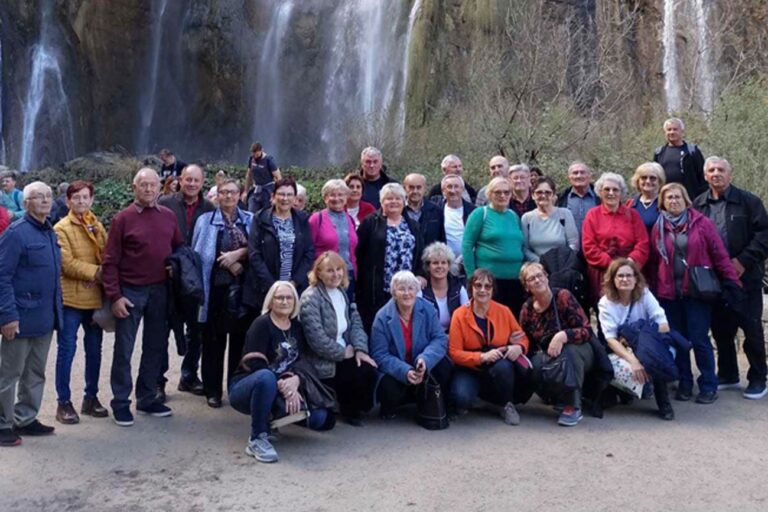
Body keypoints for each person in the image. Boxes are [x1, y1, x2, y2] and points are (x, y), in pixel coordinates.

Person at [102, 168, 183, 426]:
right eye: (144, 185)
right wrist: (115, 296)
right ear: (134, 188)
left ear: (161, 188)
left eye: (153, 185)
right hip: (130, 291)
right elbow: (110, 261)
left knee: (155, 347)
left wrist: (176, 266)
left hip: (160, 290)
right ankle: (121, 402)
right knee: (124, 349)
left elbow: (179, 247)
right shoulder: (122, 219)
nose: (149, 189)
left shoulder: (168, 216)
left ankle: (147, 397)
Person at [650, 182, 741, 404]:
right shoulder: (658, 227)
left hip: (696, 292)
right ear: (663, 202)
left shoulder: (702, 224)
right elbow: (654, 263)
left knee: (699, 339)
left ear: (686, 200)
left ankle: (708, 384)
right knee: (679, 340)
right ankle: (685, 382)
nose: (673, 201)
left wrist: (732, 281)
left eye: (677, 197)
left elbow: (719, 254)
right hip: (669, 294)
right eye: (669, 197)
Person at [230, 281, 335, 463]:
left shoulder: (296, 328)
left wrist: (295, 380)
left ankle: (273, 418)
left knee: (322, 419)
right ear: (271, 301)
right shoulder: (261, 324)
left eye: (289, 298)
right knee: (266, 377)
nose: (284, 302)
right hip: (248, 386)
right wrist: (283, 385)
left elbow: (301, 362)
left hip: (284, 385)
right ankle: (257, 438)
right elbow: (254, 364)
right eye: (279, 298)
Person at [693, 156, 768, 399]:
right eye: (711, 170)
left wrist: (742, 261)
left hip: (746, 278)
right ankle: (728, 373)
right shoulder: (698, 204)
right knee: (721, 329)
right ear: (705, 176)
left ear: (730, 174)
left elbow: (764, 235)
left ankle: (758, 378)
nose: (716, 173)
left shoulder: (748, 202)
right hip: (713, 280)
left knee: (752, 328)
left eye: (721, 170)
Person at [0, 181, 63, 446]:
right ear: (26, 203)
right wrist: (7, 316)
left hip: (45, 317)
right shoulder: (16, 233)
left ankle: (25, 417)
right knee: (9, 373)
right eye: (39, 197)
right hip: (21, 317)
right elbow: (2, 276)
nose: (45, 201)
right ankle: (2, 423)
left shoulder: (49, 231)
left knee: (35, 372)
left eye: (48, 196)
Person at [192, 178, 254, 408]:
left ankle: (236, 388)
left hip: (244, 291)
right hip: (215, 289)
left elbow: (257, 248)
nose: (228, 196)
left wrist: (237, 255)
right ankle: (213, 390)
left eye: (232, 192)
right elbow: (197, 253)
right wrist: (227, 263)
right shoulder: (205, 221)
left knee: (240, 341)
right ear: (217, 195)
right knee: (213, 342)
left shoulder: (250, 220)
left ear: (241, 195)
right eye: (223, 192)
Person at [157, 164, 215, 400]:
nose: (192, 184)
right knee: (162, 330)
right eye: (188, 179)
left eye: (196, 180)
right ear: (180, 180)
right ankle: (158, 381)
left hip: (196, 279)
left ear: (202, 183)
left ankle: (189, 375)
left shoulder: (209, 208)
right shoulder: (165, 204)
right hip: (168, 276)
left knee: (197, 330)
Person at [299, 252, 377, 425]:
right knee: (352, 375)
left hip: (347, 350)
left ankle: (351, 410)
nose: (336, 275)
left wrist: (359, 350)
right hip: (321, 359)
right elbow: (316, 339)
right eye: (330, 270)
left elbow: (355, 322)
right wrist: (343, 353)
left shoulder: (342, 292)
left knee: (367, 368)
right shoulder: (310, 298)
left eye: (339, 269)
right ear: (318, 273)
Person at [53, 181, 108, 425]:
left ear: (91, 200)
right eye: (76, 198)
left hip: (94, 297)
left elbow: (108, 254)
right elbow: (66, 263)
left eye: (85, 197)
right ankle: (63, 402)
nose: (81, 202)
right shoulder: (61, 228)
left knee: (94, 351)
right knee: (67, 350)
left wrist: (100, 272)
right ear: (68, 201)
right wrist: (96, 273)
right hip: (72, 299)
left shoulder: (96, 225)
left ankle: (91, 397)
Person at [449, 269, 531, 425]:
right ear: (470, 288)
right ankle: (480, 399)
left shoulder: (504, 311)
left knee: (504, 367)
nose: (482, 290)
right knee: (461, 398)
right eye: (478, 285)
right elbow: (454, 352)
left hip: (497, 365)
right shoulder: (459, 315)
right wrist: (481, 357)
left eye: (488, 286)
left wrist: (519, 347)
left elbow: (523, 338)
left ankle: (506, 404)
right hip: (470, 367)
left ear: (493, 290)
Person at [519, 263, 595, 426]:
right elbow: (526, 341)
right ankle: (553, 396)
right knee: (535, 364)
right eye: (531, 279)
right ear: (527, 286)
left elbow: (587, 330)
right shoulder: (527, 309)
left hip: (580, 349)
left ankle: (573, 406)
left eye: (540, 275)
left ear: (547, 277)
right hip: (550, 354)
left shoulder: (563, 296)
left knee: (569, 353)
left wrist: (563, 336)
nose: (537, 280)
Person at [598, 258, 675, 420]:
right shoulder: (605, 303)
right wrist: (633, 360)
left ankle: (664, 403)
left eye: (629, 275)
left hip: (648, 345)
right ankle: (622, 391)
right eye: (620, 276)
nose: (625, 279)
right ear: (612, 279)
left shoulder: (645, 294)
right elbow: (611, 339)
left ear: (636, 278)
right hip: (622, 349)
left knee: (654, 359)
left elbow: (664, 325)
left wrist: (638, 335)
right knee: (606, 362)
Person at [370, 271, 452, 421]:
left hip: (422, 365)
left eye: (411, 288)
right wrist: (405, 371)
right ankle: (399, 403)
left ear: (417, 291)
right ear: (394, 293)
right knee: (388, 389)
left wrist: (425, 360)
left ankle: (430, 401)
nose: (407, 293)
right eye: (401, 289)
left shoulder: (428, 309)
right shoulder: (382, 317)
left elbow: (439, 339)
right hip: (397, 370)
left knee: (444, 365)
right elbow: (379, 354)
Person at [356, 183, 424, 332]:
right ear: (381, 202)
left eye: (398, 198)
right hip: (378, 287)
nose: (393, 202)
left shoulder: (412, 225)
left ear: (404, 201)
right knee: (380, 326)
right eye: (389, 198)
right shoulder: (370, 223)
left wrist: (420, 274)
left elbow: (419, 253)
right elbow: (359, 253)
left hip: (405, 288)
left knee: (403, 326)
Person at [244, 178, 314, 315]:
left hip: (294, 288)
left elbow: (309, 253)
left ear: (294, 198)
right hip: (265, 288)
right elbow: (254, 254)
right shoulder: (260, 218)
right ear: (273, 196)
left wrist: (294, 283)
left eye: (289, 195)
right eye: (281, 194)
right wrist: (273, 286)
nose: (285, 198)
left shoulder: (302, 219)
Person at [582, 172, 649, 306]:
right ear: (600, 192)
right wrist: (612, 265)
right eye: (607, 189)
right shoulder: (592, 215)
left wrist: (629, 263)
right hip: (603, 273)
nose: (611, 193)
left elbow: (643, 243)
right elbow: (588, 246)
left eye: (615, 190)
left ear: (621, 193)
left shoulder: (633, 215)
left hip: (629, 272)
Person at [462, 177, 526, 315]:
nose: (502, 196)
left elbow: (520, 245)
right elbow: (467, 246)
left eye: (506, 192)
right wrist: (472, 278)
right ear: (489, 194)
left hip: (515, 280)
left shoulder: (514, 216)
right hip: (490, 282)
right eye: (498, 192)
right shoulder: (480, 214)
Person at [309, 180, 358, 299]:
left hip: (347, 275)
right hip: (326, 276)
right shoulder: (316, 219)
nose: (336, 198)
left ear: (346, 197)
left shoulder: (349, 219)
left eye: (340, 195)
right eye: (332, 195)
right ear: (325, 198)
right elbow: (308, 250)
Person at [521, 177, 579, 262]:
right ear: (533, 195)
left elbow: (574, 243)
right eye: (539, 192)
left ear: (553, 195)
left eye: (548, 192)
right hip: (538, 267)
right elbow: (525, 248)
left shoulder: (564, 214)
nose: (543, 195)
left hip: (562, 265)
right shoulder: (527, 218)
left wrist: (562, 260)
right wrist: (541, 262)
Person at [653, 117, 707, 200]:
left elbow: (702, 176)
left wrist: (701, 198)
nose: (672, 132)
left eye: (675, 129)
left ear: (682, 131)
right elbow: (655, 177)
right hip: (666, 199)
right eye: (669, 130)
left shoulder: (692, 151)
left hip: (690, 199)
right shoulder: (659, 153)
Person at [421, 242, 469, 332]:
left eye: (443, 263)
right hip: (429, 339)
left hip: (454, 337)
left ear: (449, 266)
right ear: (428, 267)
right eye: (435, 263)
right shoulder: (421, 291)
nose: (440, 266)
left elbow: (466, 319)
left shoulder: (459, 289)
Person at [434, 174, 475, 264]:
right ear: (443, 191)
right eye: (449, 187)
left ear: (462, 189)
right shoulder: (436, 211)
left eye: (456, 186)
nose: (453, 191)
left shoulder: (473, 211)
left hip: (469, 261)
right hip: (444, 263)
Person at [556, 161, 600, 232]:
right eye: (575, 173)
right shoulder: (561, 198)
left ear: (589, 176)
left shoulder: (600, 197)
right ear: (569, 178)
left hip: (596, 242)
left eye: (582, 172)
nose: (579, 176)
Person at [404, 173, 445, 248]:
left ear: (424, 189)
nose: (415, 191)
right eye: (411, 187)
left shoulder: (436, 211)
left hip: (429, 257)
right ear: (404, 188)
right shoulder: (398, 211)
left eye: (419, 187)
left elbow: (442, 239)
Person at [628, 162, 665, 233]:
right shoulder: (631, 204)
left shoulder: (665, 204)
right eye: (644, 178)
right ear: (638, 181)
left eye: (652, 178)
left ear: (659, 181)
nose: (648, 181)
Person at [244, 142, 282, 213]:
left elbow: (278, 177)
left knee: (267, 213)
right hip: (256, 188)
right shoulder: (251, 159)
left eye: (257, 154)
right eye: (254, 154)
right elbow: (249, 175)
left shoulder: (269, 160)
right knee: (251, 212)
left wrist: (276, 194)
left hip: (267, 189)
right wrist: (245, 191)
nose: (255, 156)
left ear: (262, 150)